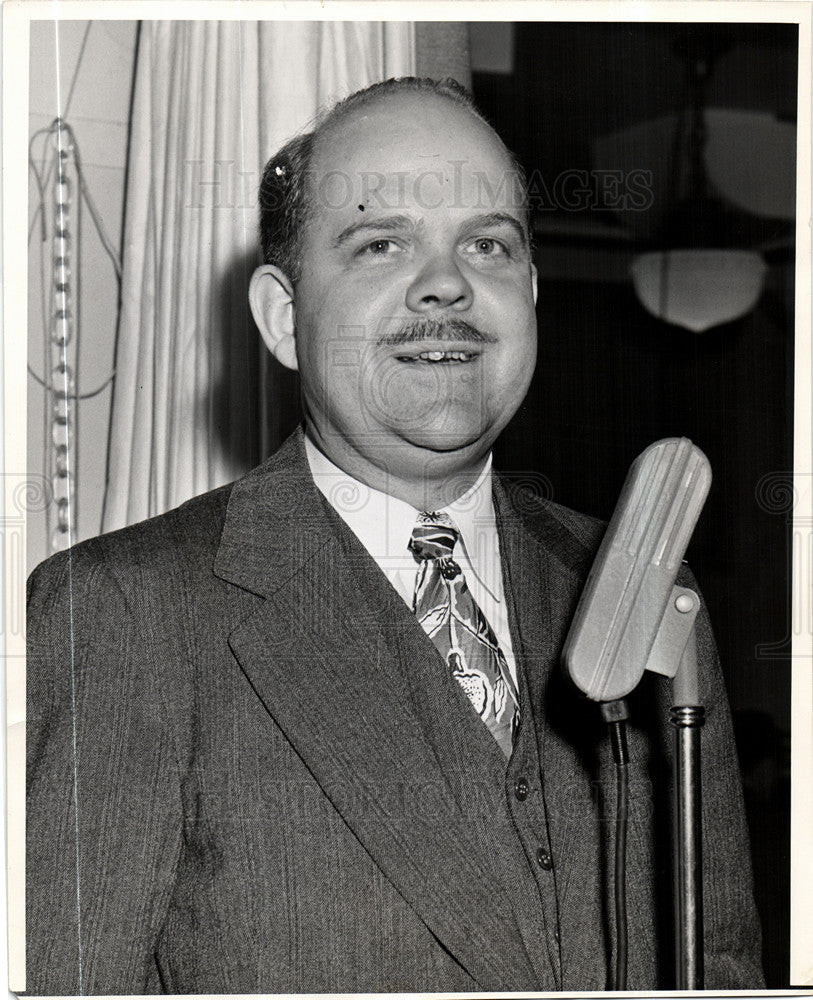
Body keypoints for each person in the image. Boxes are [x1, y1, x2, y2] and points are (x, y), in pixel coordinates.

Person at [26, 77, 764, 994]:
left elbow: (721, 966)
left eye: (487, 245)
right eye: (380, 245)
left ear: (529, 295)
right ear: (283, 317)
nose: (448, 284)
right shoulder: (119, 615)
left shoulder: (651, 588)